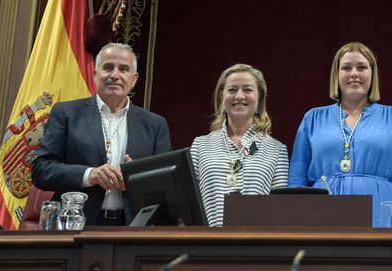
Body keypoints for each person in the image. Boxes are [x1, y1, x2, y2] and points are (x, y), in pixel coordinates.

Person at [32, 42, 172, 226]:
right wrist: (90, 175)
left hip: (133, 228)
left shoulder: (155, 124)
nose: (115, 75)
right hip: (78, 225)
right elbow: (41, 170)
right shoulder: (66, 113)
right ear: (95, 75)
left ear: (134, 79)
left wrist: (137, 182)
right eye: (108, 68)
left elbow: (168, 185)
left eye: (123, 69)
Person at [289, 42, 392, 227]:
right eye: (346, 68)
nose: (354, 73)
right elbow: (297, 180)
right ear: (337, 75)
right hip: (321, 217)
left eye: (362, 67)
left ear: (372, 74)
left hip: (381, 213)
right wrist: (297, 221)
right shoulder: (312, 118)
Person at [190, 63, 288, 227]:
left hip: (257, 245)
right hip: (207, 244)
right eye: (232, 90)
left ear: (259, 99)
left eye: (248, 90)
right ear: (222, 98)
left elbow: (280, 211)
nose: (239, 96)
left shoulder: (277, 150)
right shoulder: (200, 145)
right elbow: (188, 203)